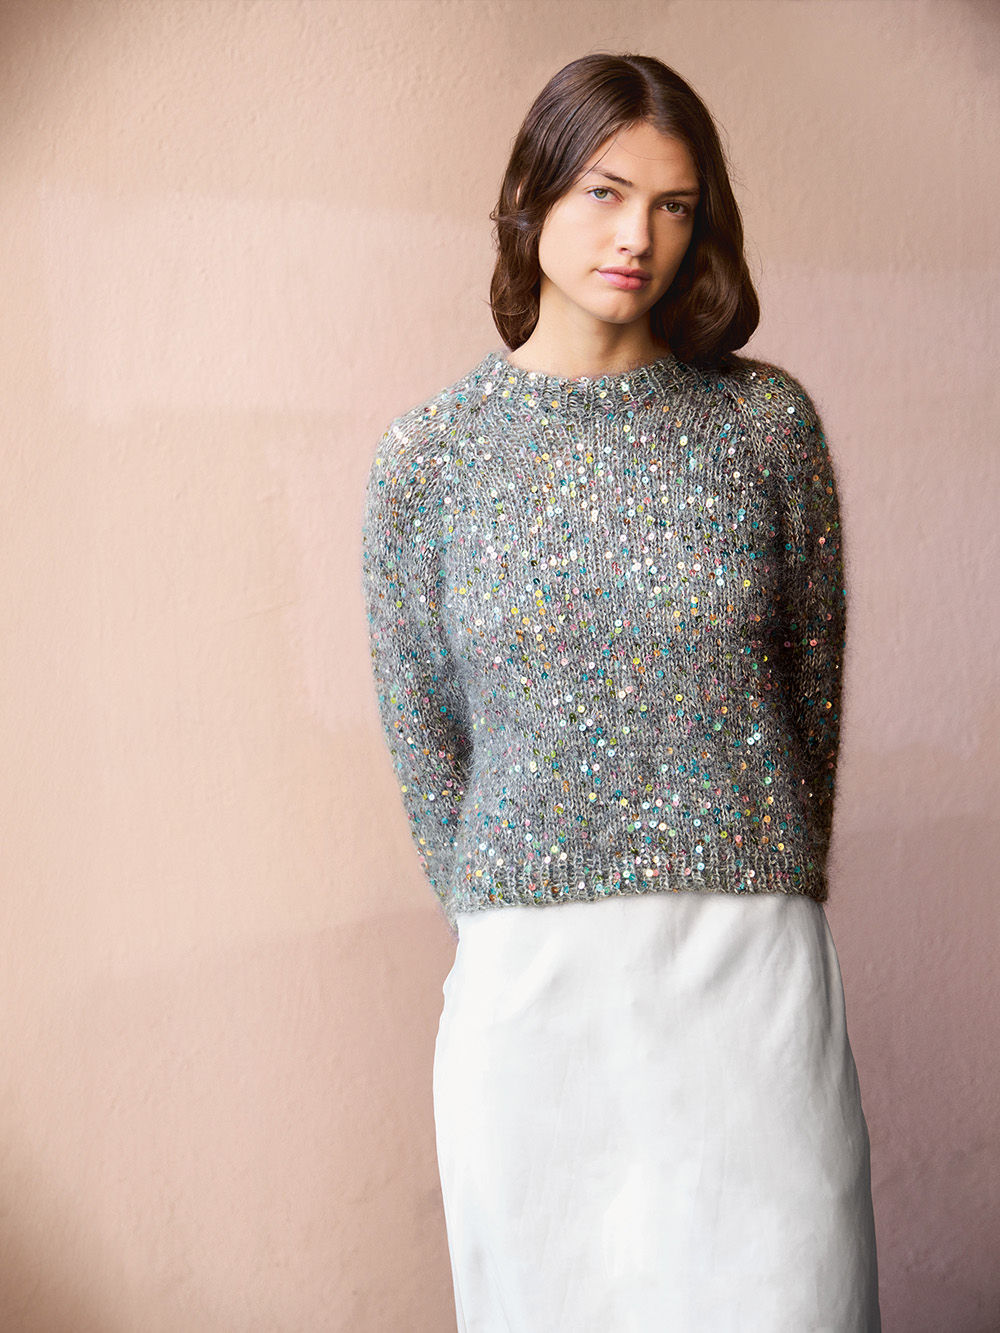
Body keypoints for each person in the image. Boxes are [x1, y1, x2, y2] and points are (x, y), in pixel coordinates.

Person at [361, 51, 881, 1333]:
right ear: (530, 196)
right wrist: (509, 900)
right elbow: (425, 736)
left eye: (673, 205)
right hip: (534, 994)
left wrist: (749, 855)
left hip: (746, 975)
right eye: (603, 192)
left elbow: (808, 697)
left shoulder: (763, 426)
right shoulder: (430, 459)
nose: (636, 237)